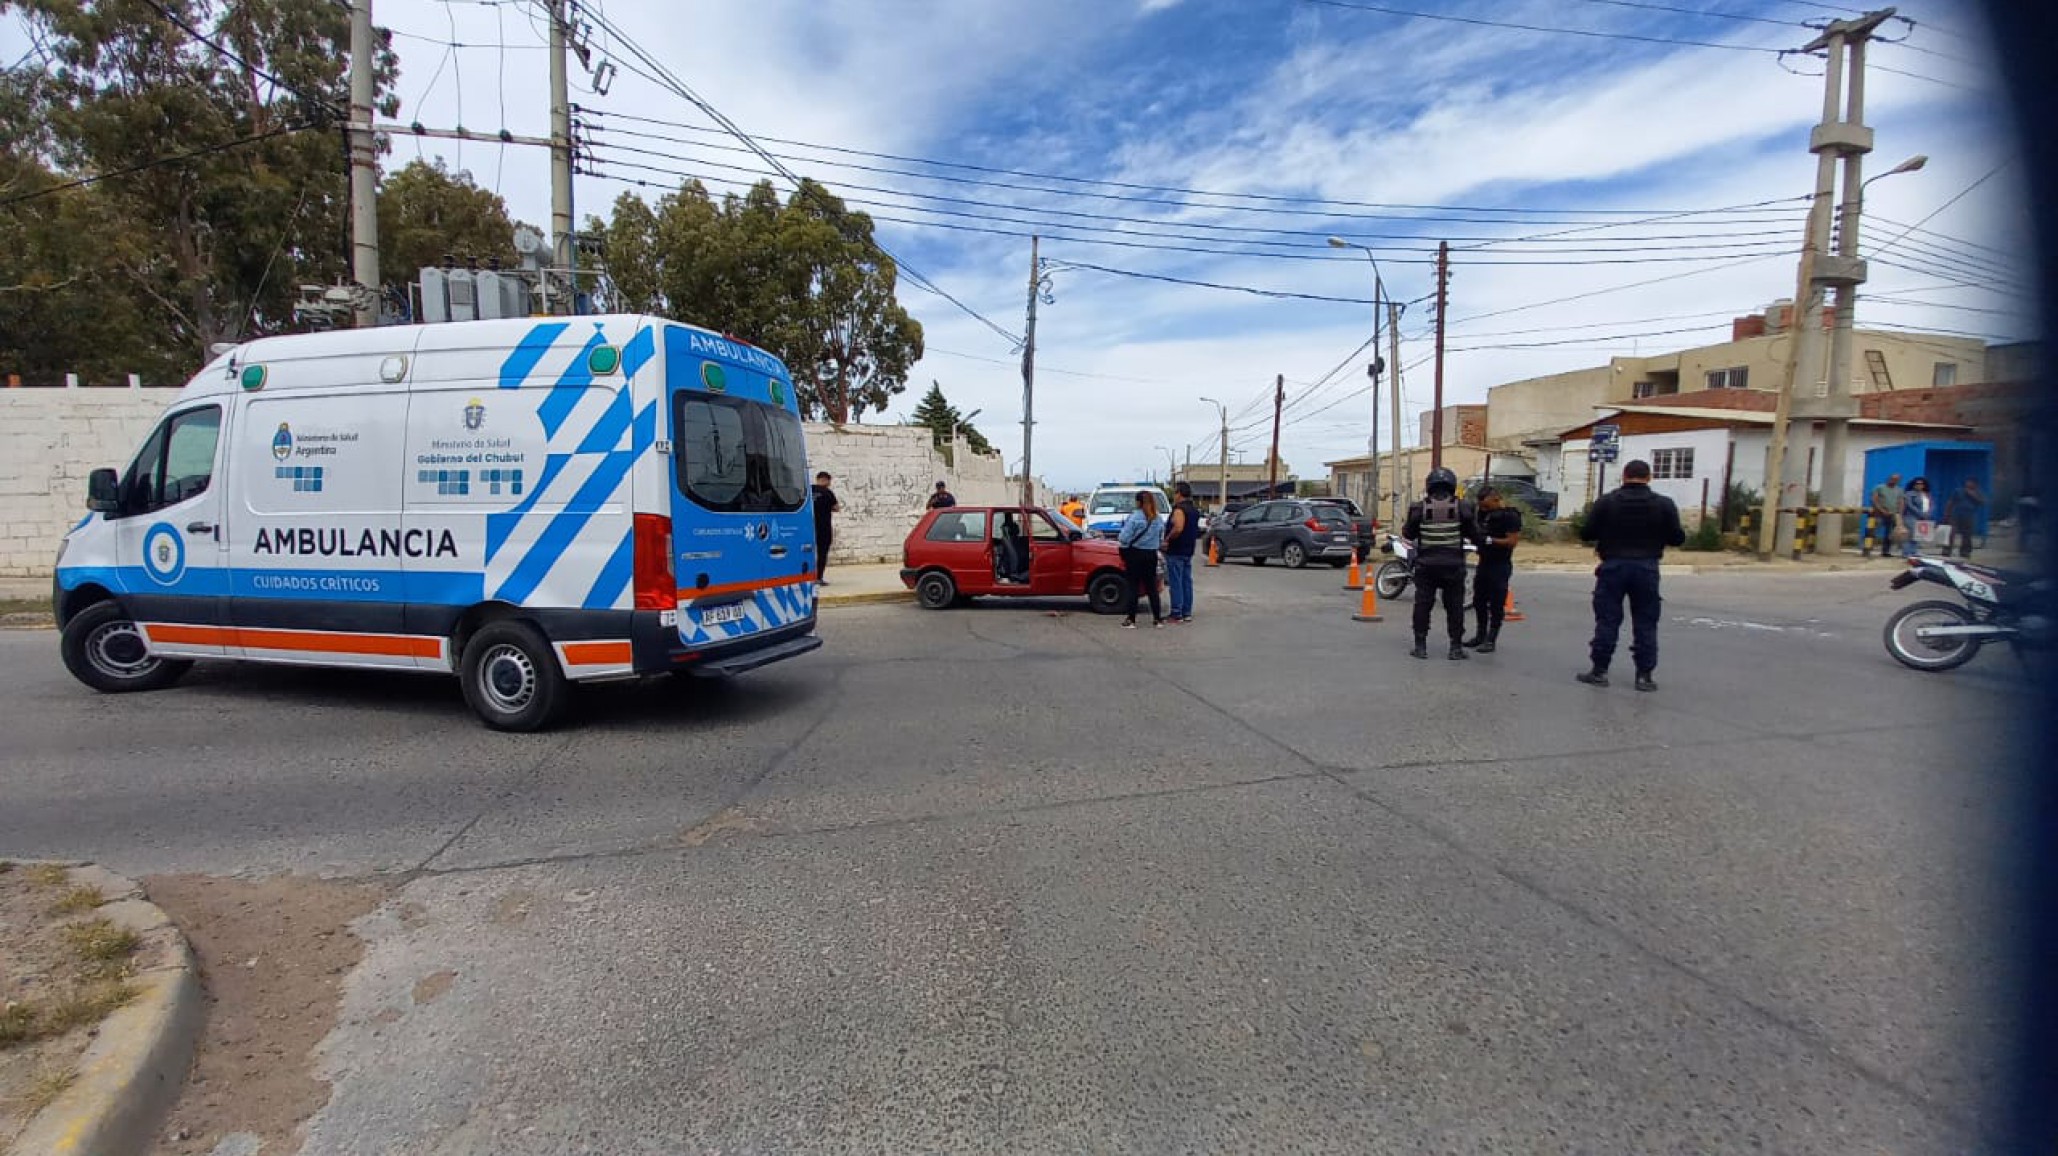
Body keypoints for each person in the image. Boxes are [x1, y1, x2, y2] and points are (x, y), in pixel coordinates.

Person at [1576, 459, 1686, 692]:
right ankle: (1644, 676)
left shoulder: (1607, 502)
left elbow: (1586, 533)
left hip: (1613, 565)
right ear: (1649, 477)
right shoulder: (1664, 504)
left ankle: (1600, 671)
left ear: (1624, 475)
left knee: (1607, 620)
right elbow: (1677, 538)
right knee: (1646, 622)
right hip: (1647, 567)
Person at [1402, 467, 1485, 660]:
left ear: (1429, 486)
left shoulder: (1419, 508)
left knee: (1423, 606)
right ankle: (1455, 648)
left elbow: (1408, 534)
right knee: (1455, 607)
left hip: (1426, 566)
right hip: (1453, 566)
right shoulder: (1463, 507)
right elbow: (1475, 534)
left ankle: (1420, 647)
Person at [1463, 485, 1522, 653]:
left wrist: (1489, 540)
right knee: (1479, 601)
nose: (1483, 509)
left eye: (1486, 506)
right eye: (1482, 506)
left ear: (1496, 499)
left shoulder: (1510, 516)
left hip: (1500, 564)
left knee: (1496, 603)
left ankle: (1491, 639)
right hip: (1484, 562)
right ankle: (1480, 635)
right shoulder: (1483, 514)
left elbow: (1512, 541)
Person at [1117, 489, 1166, 629]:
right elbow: (1161, 538)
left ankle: (1131, 620)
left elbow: (1123, 538)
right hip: (1151, 555)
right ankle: (1157, 619)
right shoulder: (1158, 518)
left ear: (1138, 502)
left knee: (1133, 586)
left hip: (1135, 555)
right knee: (1152, 588)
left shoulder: (1134, 517)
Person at [1162, 482, 1201, 623]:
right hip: (1188, 549)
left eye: (1175, 492)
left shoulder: (1179, 509)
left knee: (1176, 582)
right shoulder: (1194, 510)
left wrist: (1167, 539)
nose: (1174, 496)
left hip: (1176, 550)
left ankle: (1176, 612)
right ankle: (1186, 611)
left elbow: (1178, 527)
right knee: (1186, 581)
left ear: (1179, 493)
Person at [811, 471, 841, 585]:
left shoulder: (808, 491)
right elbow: (836, 508)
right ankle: (818, 578)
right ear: (826, 480)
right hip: (823, 528)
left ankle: (805, 577)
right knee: (822, 553)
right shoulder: (828, 492)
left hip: (808, 528)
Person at [1945, 477, 1985, 560]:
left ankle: (1965, 552)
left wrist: (1971, 494)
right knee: (1951, 533)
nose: (1968, 483)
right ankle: (1947, 550)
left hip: (1969, 515)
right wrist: (1947, 514)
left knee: (1967, 534)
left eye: (1971, 482)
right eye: (1968, 482)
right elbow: (1950, 502)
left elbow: (1982, 502)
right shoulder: (1958, 491)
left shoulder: (1978, 493)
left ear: (1975, 484)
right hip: (1957, 515)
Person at [1868, 472, 1902, 559]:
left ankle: (1886, 551)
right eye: (1892, 479)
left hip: (1892, 514)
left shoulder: (1899, 490)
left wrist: (1899, 513)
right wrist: (1882, 510)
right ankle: (1868, 549)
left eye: (1896, 479)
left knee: (1889, 533)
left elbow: (1901, 501)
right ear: (1889, 478)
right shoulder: (1879, 487)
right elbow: (1874, 499)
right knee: (1873, 531)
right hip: (1879, 513)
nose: (1893, 481)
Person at [1900, 477, 1935, 560]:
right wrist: (1920, 513)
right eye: (1917, 484)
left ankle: (1914, 551)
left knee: (1918, 535)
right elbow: (1910, 505)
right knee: (1910, 535)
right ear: (1913, 485)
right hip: (1911, 517)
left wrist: (1929, 513)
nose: (1919, 485)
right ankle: (1906, 552)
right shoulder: (1909, 494)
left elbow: (1931, 504)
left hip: (1923, 518)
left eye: (1921, 484)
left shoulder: (1926, 494)